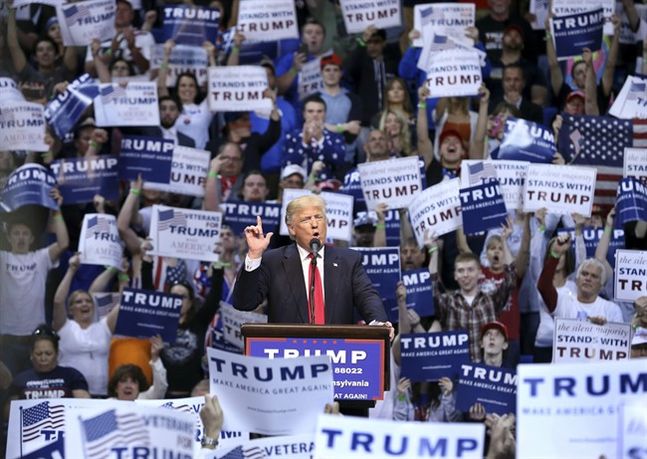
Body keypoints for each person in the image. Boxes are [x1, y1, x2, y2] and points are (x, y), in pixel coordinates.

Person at [233, 195, 392, 332]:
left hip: (338, 354)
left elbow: (367, 296)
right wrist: (254, 255)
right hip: (289, 355)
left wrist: (377, 322)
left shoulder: (349, 260)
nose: (315, 224)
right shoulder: (273, 261)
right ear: (292, 229)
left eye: (319, 217)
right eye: (306, 219)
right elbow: (244, 303)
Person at [538, 235, 623, 324]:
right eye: (584, 274)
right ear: (577, 280)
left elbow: (620, 336)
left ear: (601, 285)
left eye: (594, 276)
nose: (588, 278)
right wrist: (555, 254)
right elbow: (543, 287)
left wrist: (604, 328)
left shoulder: (612, 310)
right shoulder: (563, 301)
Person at [7, 325, 90, 401]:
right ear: (31, 354)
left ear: (57, 353)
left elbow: (84, 406)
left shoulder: (72, 376)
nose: (43, 358)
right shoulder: (20, 379)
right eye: (38, 354)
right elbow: (9, 413)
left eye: (48, 353)